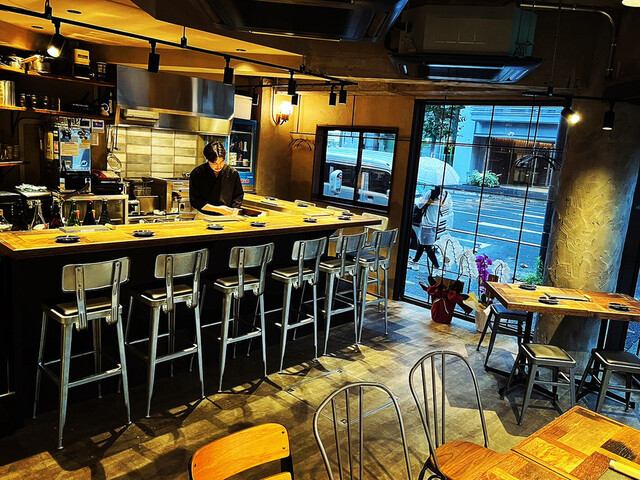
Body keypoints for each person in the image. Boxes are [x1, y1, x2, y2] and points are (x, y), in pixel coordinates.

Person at [189, 141, 244, 215]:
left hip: (226, 216)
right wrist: (218, 209)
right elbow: (195, 200)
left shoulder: (232, 173)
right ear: (207, 159)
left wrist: (234, 211)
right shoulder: (197, 173)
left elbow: (238, 196)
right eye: (214, 163)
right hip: (204, 216)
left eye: (222, 162)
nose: (219, 166)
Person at [410, 186, 453, 269]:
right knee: (422, 243)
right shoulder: (447, 194)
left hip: (426, 222)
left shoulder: (430, 192)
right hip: (435, 222)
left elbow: (420, 205)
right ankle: (415, 261)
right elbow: (445, 206)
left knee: (427, 246)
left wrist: (425, 200)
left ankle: (437, 266)